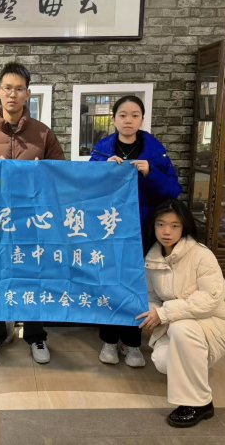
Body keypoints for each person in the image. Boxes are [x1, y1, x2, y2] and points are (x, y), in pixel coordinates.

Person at [0, 61, 65, 366]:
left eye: (19, 89)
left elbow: (61, 174)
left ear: (27, 94)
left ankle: (36, 335)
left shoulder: (43, 134)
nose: (12, 94)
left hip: (33, 223)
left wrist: (41, 176)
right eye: (7, 88)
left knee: (33, 278)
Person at [89, 95, 182, 367]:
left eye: (134, 115)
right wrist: (103, 172)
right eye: (122, 115)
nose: (128, 120)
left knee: (136, 284)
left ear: (142, 119)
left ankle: (132, 343)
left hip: (143, 230)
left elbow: (173, 190)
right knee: (109, 282)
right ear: (114, 119)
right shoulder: (101, 152)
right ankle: (108, 340)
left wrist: (150, 171)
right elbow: (86, 189)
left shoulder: (155, 152)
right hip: (109, 230)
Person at [137, 200, 225, 427]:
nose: (166, 231)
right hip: (180, 321)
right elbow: (152, 296)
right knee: (162, 361)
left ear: (184, 226)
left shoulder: (201, 255)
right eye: (161, 224)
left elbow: (210, 300)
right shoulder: (152, 258)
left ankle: (199, 403)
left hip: (219, 320)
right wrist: (152, 311)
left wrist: (165, 313)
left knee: (182, 328)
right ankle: (195, 358)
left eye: (174, 225)